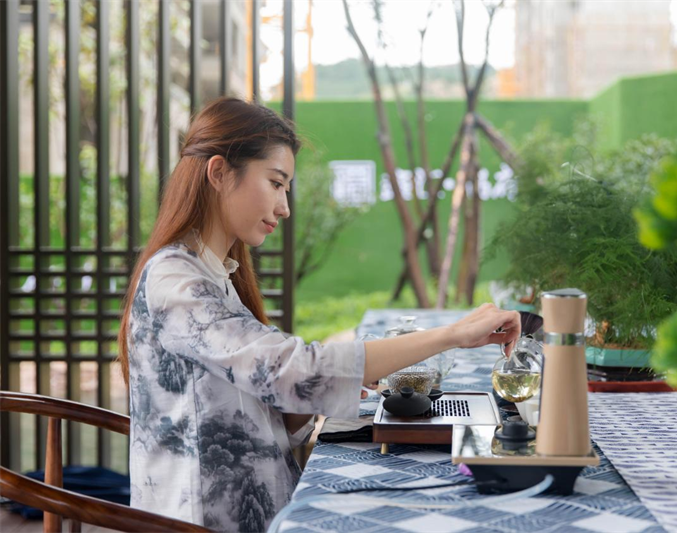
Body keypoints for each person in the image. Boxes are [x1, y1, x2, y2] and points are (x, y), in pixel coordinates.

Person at [116, 97, 521, 532]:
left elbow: (270, 395)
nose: (284, 207)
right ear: (219, 173)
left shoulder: (215, 275)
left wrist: (334, 382)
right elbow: (291, 371)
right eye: (276, 183)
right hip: (204, 520)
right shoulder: (176, 281)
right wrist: (453, 334)